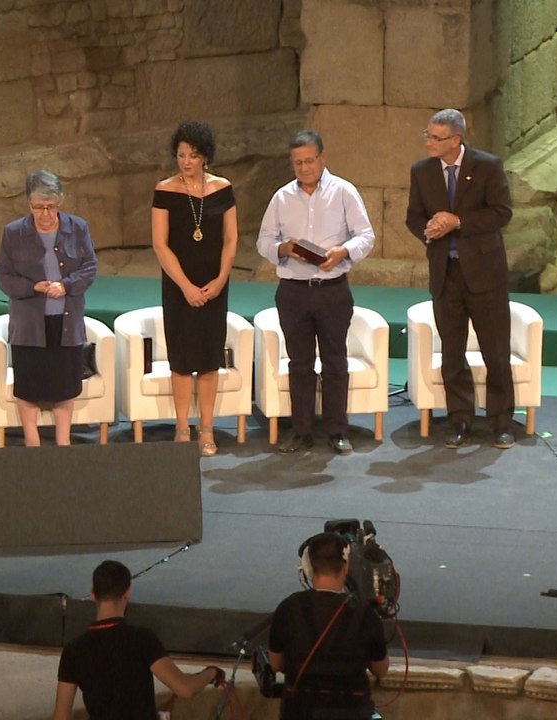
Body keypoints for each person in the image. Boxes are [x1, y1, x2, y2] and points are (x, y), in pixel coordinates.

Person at [256, 131, 374, 456]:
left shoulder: (344, 192)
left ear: (322, 158)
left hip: (332, 290)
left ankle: (337, 431)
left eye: (310, 161)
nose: (305, 168)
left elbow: (366, 235)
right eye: (298, 163)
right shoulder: (281, 198)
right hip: (293, 292)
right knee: (300, 364)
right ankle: (302, 432)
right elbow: (263, 242)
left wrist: (343, 252)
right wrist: (283, 248)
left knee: (335, 362)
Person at [405, 108, 516, 450]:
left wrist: (458, 222)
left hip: (485, 276)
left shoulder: (487, 166)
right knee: (452, 354)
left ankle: (500, 423)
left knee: (495, 352)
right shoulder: (422, 172)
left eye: (435, 138)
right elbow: (413, 216)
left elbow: (502, 212)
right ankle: (460, 420)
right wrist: (430, 230)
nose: (428, 142)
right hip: (446, 275)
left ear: (456, 140)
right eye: (427, 135)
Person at [151, 121, 238, 457]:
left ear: (205, 157)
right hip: (179, 286)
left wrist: (219, 280)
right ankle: (181, 428)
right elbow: (160, 245)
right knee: (183, 359)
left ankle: (206, 428)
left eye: (193, 155)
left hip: (215, 284)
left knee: (209, 357)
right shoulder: (165, 190)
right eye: (181, 155)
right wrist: (186, 286)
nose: (186, 161)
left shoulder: (222, 187)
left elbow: (231, 239)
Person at [0, 170, 98, 447]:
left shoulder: (78, 228)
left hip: (66, 323)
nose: (45, 213)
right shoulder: (13, 233)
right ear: (29, 204)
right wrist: (33, 288)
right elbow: (4, 277)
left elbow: (90, 267)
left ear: (60, 202)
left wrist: (66, 285)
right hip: (29, 326)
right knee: (29, 387)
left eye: (51, 207)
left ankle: (63, 444)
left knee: (64, 388)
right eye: (39, 207)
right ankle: (33, 442)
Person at [54, 560, 223, 720]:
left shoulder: (73, 651)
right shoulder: (141, 639)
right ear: (127, 592)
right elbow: (184, 688)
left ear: (93, 594)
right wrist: (210, 673)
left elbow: (61, 716)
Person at [268, 533, 389, 720]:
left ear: (308, 567)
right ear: (346, 566)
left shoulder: (288, 609)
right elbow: (381, 670)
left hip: (299, 712)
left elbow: (276, 665)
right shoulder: (365, 614)